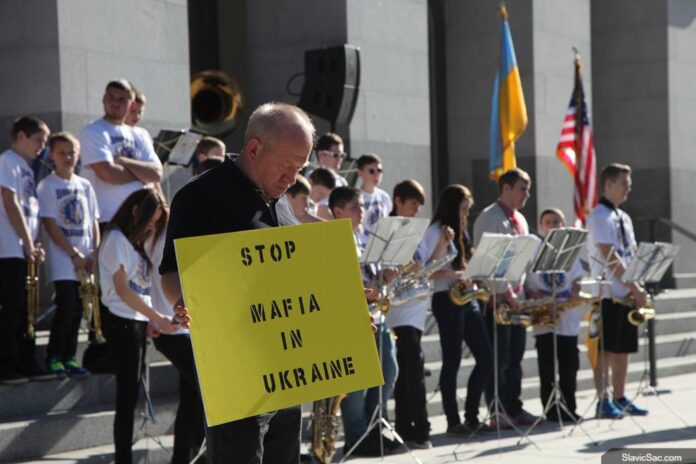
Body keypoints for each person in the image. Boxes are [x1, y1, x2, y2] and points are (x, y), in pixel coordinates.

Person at [159, 102, 315, 464]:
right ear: (255, 149)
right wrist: (183, 300)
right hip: (235, 369)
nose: (293, 178)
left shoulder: (282, 202)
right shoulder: (200, 197)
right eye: (288, 165)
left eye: (301, 168)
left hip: (288, 367)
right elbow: (171, 271)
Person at [99, 188, 176, 463]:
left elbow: (138, 289)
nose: (153, 227)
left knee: (131, 394)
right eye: (151, 220)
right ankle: (123, 457)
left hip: (134, 320)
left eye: (157, 222)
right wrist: (156, 316)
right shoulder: (116, 239)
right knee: (127, 394)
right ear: (136, 212)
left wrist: (147, 320)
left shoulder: (134, 243)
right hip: (120, 321)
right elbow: (123, 291)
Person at [329, 186, 400, 457]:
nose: (362, 212)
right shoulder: (333, 238)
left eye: (362, 207)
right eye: (356, 208)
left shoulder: (361, 237)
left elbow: (368, 274)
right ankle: (356, 437)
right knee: (358, 381)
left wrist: (383, 278)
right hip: (351, 317)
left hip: (374, 314)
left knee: (388, 370)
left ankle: (373, 428)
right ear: (338, 212)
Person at [473, 167, 540, 428]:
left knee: (515, 358)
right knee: (498, 360)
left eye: (528, 188)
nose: (527, 194)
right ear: (506, 188)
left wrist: (530, 286)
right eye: (522, 188)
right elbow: (486, 263)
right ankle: (496, 410)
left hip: (518, 299)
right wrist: (506, 292)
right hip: (497, 300)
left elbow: (525, 258)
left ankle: (515, 406)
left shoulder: (520, 220)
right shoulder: (488, 218)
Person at [428, 184, 494, 435]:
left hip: (467, 298)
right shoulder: (436, 231)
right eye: (463, 209)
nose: (466, 214)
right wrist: (457, 271)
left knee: (486, 357)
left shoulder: (462, 231)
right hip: (446, 299)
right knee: (452, 361)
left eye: (468, 210)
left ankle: (472, 415)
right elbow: (429, 270)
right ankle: (453, 421)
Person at [586, 163, 649, 418]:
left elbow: (631, 254)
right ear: (609, 184)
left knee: (623, 348)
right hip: (607, 292)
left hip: (626, 293)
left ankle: (620, 396)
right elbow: (610, 257)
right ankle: (603, 400)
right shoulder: (599, 216)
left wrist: (638, 284)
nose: (629, 189)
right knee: (605, 348)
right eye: (624, 183)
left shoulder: (624, 217)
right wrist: (634, 287)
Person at [37, 132, 100, 378]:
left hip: (86, 259)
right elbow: (51, 224)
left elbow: (93, 222)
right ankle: (54, 357)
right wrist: (73, 254)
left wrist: (94, 251)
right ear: (52, 155)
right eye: (61, 153)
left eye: (71, 152)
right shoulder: (48, 185)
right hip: (65, 260)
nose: (67, 157)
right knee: (66, 307)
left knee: (79, 311)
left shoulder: (85, 185)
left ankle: (70, 357)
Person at [383, 179, 433, 448]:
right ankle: (418, 428)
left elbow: (421, 264)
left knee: (409, 371)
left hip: (415, 308)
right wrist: (406, 268)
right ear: (398, 201)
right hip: (396, 310)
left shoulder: (417, 230)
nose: (416, 210)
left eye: (419, 206)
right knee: (410, 370)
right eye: (412, 204)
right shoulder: (388, 229)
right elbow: (383, 268)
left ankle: (407, 427)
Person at [0, 116, 50, 383]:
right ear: (21, 136)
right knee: (12, 307)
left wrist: (35, 243)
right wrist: (27, 243)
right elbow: (10, 203)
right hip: (9, 249)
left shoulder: (27, 168)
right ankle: (5, 365)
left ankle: (24, 360)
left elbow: (31, 211)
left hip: (24, 248)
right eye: (38, 140)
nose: (42, 147)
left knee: (25, 309)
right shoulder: (7, 162)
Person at [526, 208, 584, 422]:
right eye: (548, 222)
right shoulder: (534, 250)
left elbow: (577, 279)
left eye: (556, 222)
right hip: (544, 315)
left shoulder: (569, 250)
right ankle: (550, 409)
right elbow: (528, 281)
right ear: (542, 226)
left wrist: (574, 294)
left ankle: (570, 406)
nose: (552, 226)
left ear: (564, 224)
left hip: (566, 315)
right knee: (547, 365)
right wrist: (537, 296)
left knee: (570, 364)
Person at [79, 79, 163, 224]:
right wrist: (142, 174)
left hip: (142, 220)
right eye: (111, 97)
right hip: (110, 220)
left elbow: (156, 174)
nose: (115, 103)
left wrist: (124, 162)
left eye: (121, 99)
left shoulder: (141, 134)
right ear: (104, 99)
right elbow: (108, 174)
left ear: (132, 104)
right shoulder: (94, 130)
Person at [357, 153, 392, 237]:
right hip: (361, 245)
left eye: (379, 171)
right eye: (371, 171)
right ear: (360, 173)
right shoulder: (355, 197)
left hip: (378, 245)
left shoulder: (384, 197)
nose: (377, 175)